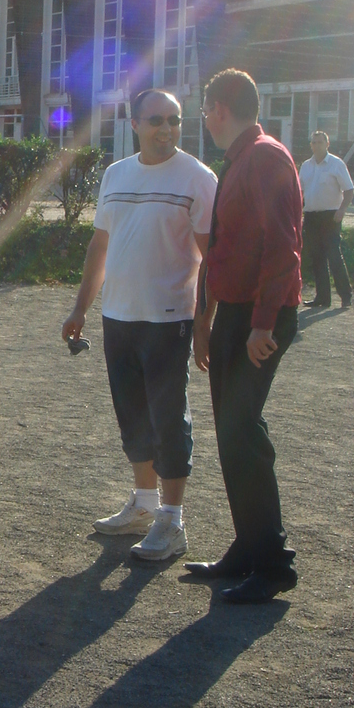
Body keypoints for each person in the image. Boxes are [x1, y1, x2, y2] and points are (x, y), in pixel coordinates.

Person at [61, 89, 217, 562]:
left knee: (169, 418)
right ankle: (144, 503)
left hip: (169, 319)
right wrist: (80, 308)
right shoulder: (116, 174)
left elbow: (213, 259)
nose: (166, 128)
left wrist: (204, 324)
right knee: (131, 415)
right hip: (118, 316)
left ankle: (172, 519)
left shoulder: (197, 177)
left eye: (174, 119)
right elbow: (100, 246)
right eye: (156, 120)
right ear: (134, 124)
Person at [188, 69, 302, 604]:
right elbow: (222, 252)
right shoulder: (239, 160)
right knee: (233, 434)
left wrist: (262, 323)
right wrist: (205, 319)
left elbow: (283, 247)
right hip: (237, 314)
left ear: (219, 109)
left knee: (242, 432)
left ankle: (273, 565)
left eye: (205, 109)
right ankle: (250, 547)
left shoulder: (265, 158)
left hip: (259, 317)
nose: (204, 119)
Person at [298, 130, 354, 309]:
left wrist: (342, 210)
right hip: (311, 215)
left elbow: (349, 189)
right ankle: (322, 297)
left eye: (320, 142)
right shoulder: (306, 166)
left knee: (334, 255)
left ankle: (345, 296)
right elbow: (300, 192)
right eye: (314, 142)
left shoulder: (336, 164)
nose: (316, 145)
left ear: (327, 144)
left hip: (331, 216)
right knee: (317, 257)